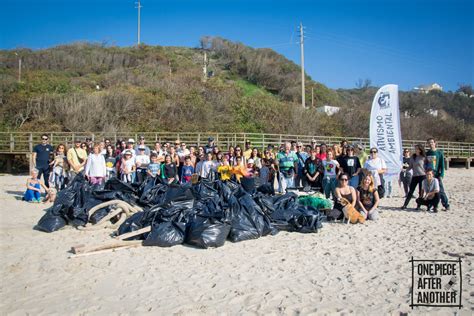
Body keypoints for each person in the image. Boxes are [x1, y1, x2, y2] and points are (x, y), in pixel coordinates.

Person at [426, 138, 450, 210]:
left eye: (432, 142)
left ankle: (446, 204)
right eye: (429, 143)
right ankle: (432, 204)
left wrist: (442, 175)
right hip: (429, 174)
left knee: (440, 190)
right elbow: (425, 163)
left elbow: (442, 166)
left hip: (436, 174)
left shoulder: (439, 153)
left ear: (435, 143)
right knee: (430, 190)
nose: (430, 144)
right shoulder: (427, 153)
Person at [401, 144, 427, 210]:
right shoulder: (413, 157)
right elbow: (410, 166)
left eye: (417, 149)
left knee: (421, 191)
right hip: (415, 176)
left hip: (422, 176)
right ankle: (405, 205)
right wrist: (405, 170)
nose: (416, 150)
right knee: (411, 191)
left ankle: (418, 206)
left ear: (420, 150)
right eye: (415, 149)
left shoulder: (423, 157)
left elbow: (427, 166)